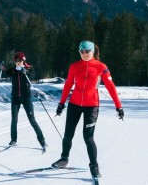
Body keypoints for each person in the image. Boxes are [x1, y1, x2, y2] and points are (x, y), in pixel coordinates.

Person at [52, 40, 124, 177]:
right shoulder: (74, 66)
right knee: (68, 135)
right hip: (74, 104)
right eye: (81, 52)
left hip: (91, 106)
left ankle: (94, 166)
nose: (84, 54)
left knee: (88, 137)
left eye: (87, 51)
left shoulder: (101, 67)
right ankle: (64, 159)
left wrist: (118, 106)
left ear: (93, 52)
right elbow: (68, 85)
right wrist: (61, 103)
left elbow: (110, 87)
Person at [1, 51, 46, 150]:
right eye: (16, 61)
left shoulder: (28, 68)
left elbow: (32, 75)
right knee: (14, 120)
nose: (18, 62)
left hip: (26, 98)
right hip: (15, 98)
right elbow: (7, 73)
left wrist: (26, 72)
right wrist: (3, 68)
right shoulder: (13, 70)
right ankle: (13, 139)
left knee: (32, 120)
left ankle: (42, 140)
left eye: (20, 61)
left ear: (23, 60)